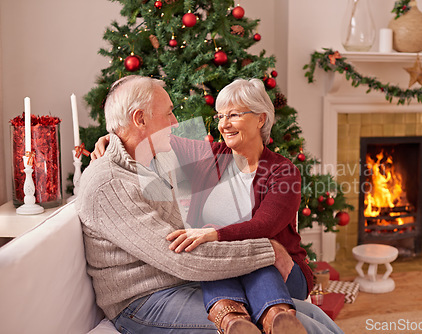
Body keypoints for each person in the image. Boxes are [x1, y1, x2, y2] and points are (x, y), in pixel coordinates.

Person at [82, 75, 344, 334]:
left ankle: (274, 313)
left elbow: (264, 225)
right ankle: (240, 319)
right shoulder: (117, 180)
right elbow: (183, 258)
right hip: (153, 296)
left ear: (260, 118)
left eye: (234, 115)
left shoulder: (281, 171)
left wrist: (221, 236)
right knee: (298, 321)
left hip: (265, 270)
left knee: (311, 314)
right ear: (140, 119)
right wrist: (111, 138)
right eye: (221, 116)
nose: (176, 123)